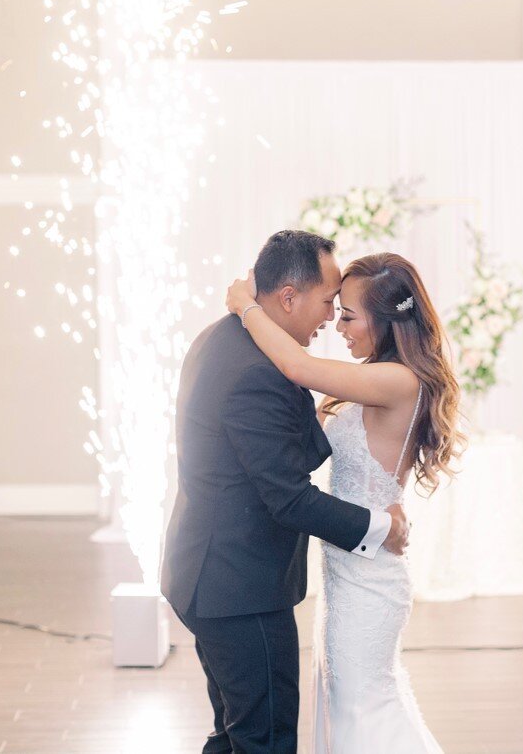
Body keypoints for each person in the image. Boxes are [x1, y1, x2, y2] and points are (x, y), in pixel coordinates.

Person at [160, 230, 411, 754]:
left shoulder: (221, 338)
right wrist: (380, 527)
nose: (329, 319)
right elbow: (289, 499)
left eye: (343, 311)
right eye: (327, 304)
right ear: (289, 296)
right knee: (265, 740)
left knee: (234, 734)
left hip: (210, 572)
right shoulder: (262, 370)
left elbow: (269, 449)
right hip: (240, 589)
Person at [226, 249, 463, 753]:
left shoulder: (397, 380)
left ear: (385, 321)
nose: (339, 325)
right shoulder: (374, 379)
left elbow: (295, 365)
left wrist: (245, 305)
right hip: (349, 570)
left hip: (369, 581)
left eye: (349, 316)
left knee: (365, 709)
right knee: (352, 705)